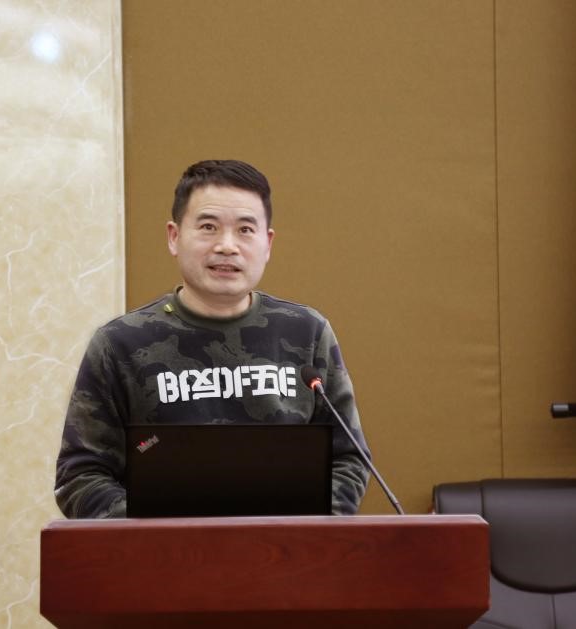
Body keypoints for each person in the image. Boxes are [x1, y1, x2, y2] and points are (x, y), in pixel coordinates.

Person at [55, 159, 370, 517]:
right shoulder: (119, 344)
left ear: (267, 243)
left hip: (285, 547)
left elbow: (348, 459)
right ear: (174, 237)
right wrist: (160, 533)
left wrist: (298, 532)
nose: (227, 246)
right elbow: (80, 476)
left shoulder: (307, 331)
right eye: (208, 227)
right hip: (164, 550)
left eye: (245, 230)